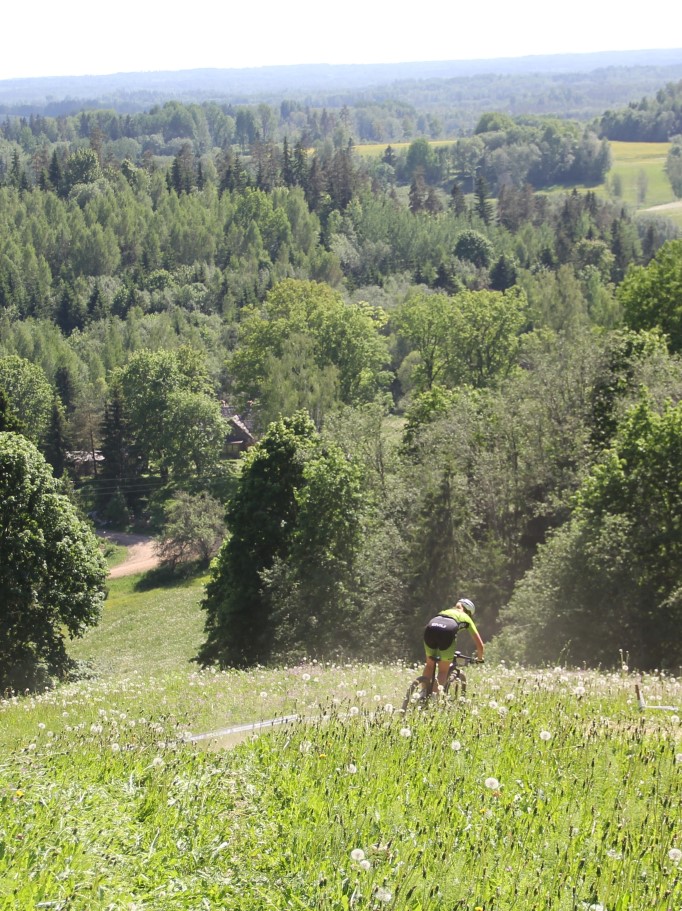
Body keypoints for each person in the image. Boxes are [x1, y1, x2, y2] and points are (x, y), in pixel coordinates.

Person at [421, 598, 484, 698]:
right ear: (469, 612)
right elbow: (480, 645)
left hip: (430, 628)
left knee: (429, 665)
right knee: (443, 671)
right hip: (447, 632)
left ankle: (422, 694)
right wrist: (480, 658)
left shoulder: (445, 611)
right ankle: (433, 698)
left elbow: (439, 628)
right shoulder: (466, 618)